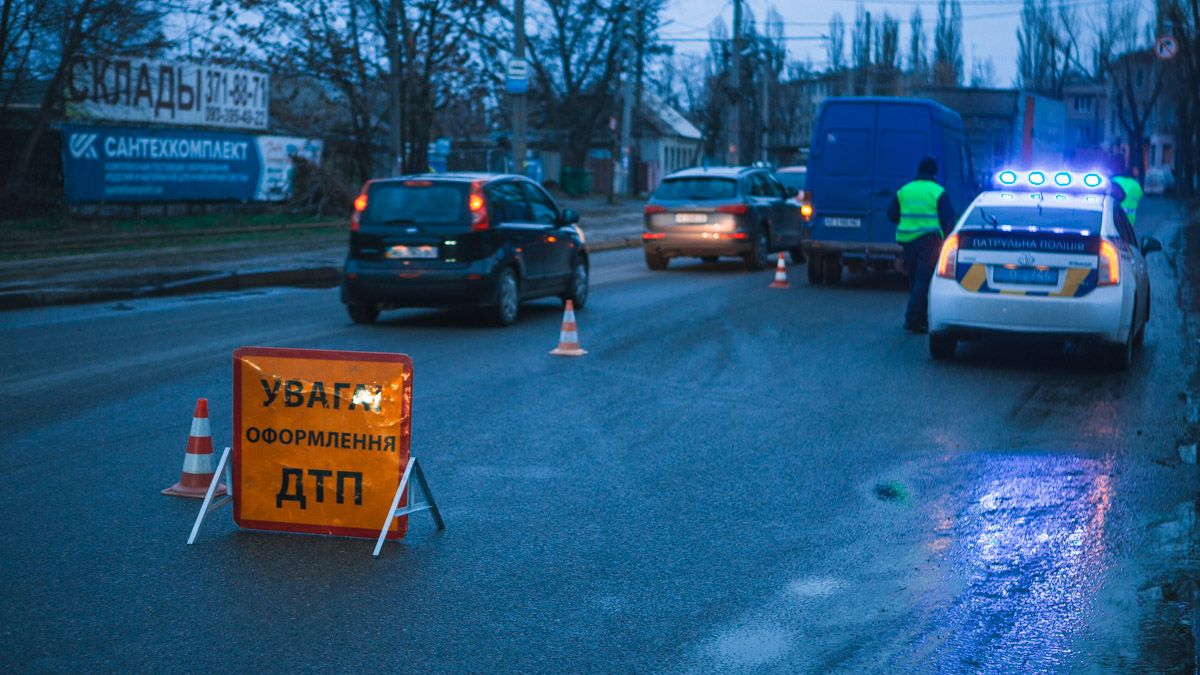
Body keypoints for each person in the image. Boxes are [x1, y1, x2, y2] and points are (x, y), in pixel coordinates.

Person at [887, 157, 957, 334]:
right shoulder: (938, 192)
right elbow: (948, 221)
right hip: (929, 243)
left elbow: (892, 215)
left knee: (913, 280)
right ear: (934, 173)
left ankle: (919, 318)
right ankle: (912, 318)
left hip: (907, 243)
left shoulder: (904, 190)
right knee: (923, 280)